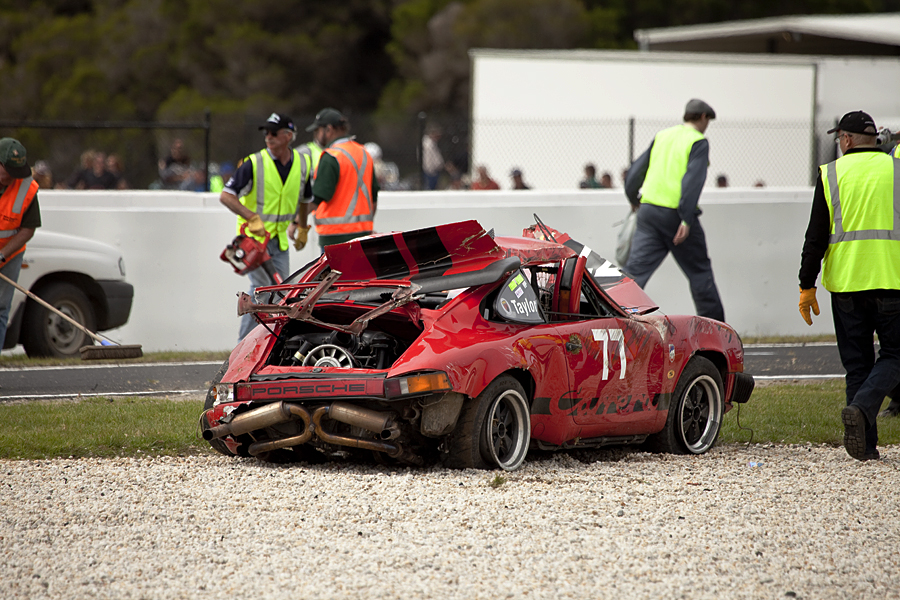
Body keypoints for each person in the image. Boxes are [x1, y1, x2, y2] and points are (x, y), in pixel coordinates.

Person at [798, 110, 900, 461]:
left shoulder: (832, 174)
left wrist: (806, 285)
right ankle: (862, 406)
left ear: (845, 140)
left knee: (857, 365)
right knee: (896, 355)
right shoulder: (896, 167)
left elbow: (815, 237)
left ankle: (866, 448)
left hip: (846, 286)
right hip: (892, 280)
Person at [623, 98, 725, 322]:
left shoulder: (663, 136)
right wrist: (686, 219)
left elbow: (634, 173)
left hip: (648, 213)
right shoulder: (698, 142)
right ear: (703, 117)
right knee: (699, 272)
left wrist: (634, 199)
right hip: (676, 216)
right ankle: (717, 331)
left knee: (634, 274)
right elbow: (692, 182)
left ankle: (614, 322)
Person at [219, 113, 313, 341]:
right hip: (255, 241)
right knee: (261, 291)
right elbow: (226, 196)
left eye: (273, 133)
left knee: (282, 292)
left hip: (279, 241)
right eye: (266, 133)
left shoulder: (302, 163)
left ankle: (267, 348)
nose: (268, 137)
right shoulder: (254, 162)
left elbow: (305, 200)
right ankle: (243, 350)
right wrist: (251, 217)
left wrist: (300, 226)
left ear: (288, 136)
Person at [296, 108, 378, 252]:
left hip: (335, 238)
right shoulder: (364, 153)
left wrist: (297, 222)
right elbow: (374, 195)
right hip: (363, 235)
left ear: (328, 129)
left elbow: (317, 197)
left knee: (334, 275)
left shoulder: (331, 156)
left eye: (318, 130)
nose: (316, 135)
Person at [0, 138, 41, 353]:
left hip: (10, 254)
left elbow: (28, 229)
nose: (15, 177)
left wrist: (3, 255)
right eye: (10, 171)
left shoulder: (27, 186)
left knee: (0, 308)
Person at [422, 124, 444, 190]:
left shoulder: (432, 143)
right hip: (430, 171)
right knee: (429, 187)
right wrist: (431, 168)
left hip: (434, 170)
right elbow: (429, 158)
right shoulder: (428, 144)